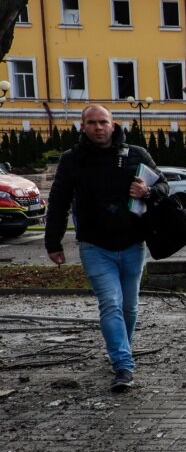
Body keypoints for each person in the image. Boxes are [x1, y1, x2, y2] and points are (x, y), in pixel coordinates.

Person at [44, 104, 167, 392]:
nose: (98, 127)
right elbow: (59, 202)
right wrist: (53, 242)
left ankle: (120, 348)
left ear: (113, 125)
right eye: (91, 122)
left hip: (133, 243)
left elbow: (163, 185)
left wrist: (147, 191)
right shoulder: (73, 160)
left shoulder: (135, 154)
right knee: (110, 302)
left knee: (129, 306)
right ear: (82, 126)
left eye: (103, 122)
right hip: (94, 245)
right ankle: (123, 365)